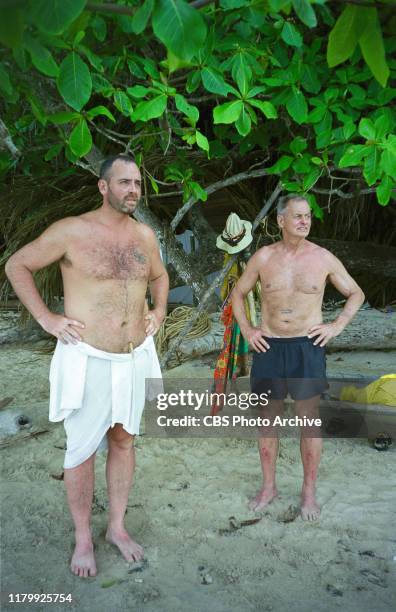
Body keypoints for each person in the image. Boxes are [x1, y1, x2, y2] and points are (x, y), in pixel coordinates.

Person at [5, 154, 169, 577]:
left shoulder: (145, 236)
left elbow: (160, 276)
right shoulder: (70, 231)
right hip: (87, 357)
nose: (133, 190)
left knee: (124, 440)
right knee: (80, 451)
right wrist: (47, 319)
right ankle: (82, 538)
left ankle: (116, 527)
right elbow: (17, 264)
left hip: (134, 356)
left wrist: (161, 311)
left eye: (137, 183)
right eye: (124, 182)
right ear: (103, 187)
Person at [231, 195, 364, 521]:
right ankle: (269, 487)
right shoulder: (263, 258)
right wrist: (248, 330)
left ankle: (308, 493)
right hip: (269, 347)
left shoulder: (323, 258)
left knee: (309, 421)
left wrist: (337, 326)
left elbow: (355, 293)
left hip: (307, 346)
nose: (304, 221)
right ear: (280, 221)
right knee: (267, 422)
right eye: (298, 216)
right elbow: (238, 293)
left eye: (307, 217)